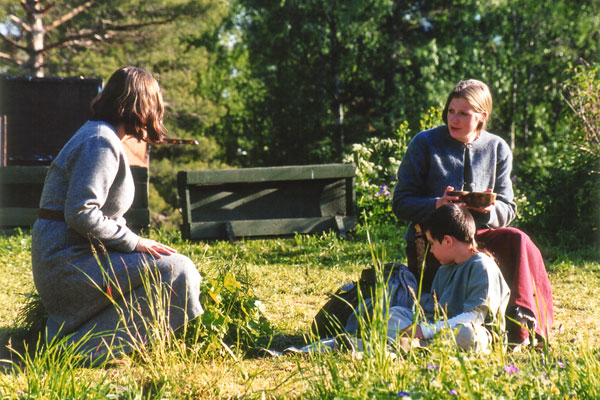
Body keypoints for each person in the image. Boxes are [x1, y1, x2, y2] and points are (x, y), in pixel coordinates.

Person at [31, 66, 203, 364]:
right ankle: (83, 348)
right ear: (141, 105)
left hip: (75, 258)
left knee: (168, 265)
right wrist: (135, 243)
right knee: (178, 270)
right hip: (68, 264)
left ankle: (86, 341)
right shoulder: (101, 142)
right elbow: (81, 212)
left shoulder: (99, 135)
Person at [392, 79, 553, 346]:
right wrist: (436, 205)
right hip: (435, 240)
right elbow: (400, 203)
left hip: (479, 237)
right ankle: (478, 324)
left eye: (463, 113)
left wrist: (489, 210)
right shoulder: (424, 143)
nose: (453, 119)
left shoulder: (497, 147)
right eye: (451, 111)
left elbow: (508, 208)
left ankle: (523, 324)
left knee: (520, 240)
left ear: (482, 116)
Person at [389, 204, 510, 351]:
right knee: (394, 314)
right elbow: (433, 314)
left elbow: (474, 318)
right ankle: (421, 345)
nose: (431, 250)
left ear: (447, 241)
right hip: (442, 329)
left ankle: (416, 345)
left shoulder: (482, 266)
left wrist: (424, 331)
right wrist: (418, 323)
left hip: (477, 331)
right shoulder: (444, 270)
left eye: (432, 244)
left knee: (467, 334)